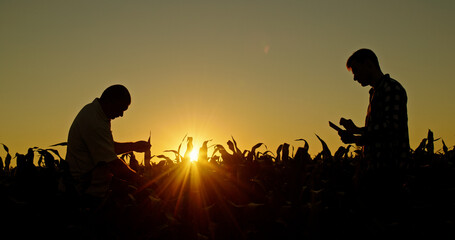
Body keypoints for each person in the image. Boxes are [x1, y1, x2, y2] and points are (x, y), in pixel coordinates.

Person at [66, 84, 150, 200]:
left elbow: (107, 148)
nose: (121, 114)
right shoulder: (95, 122)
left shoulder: (94, 112)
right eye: (121, 108)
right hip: (84, 193)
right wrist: (144, 182)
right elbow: (112, 163)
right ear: (111, 101)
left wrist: (134, 146)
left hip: (89, 189)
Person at [337, 49, 410, 169]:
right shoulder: (375, 93)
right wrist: (355, 136)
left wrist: (357, 130)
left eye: (356, 71)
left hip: (390, 169)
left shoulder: (391, 88)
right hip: (376, 168)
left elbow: (391, 127)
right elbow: (378, 135)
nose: (355, 78)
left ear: (368, 64)